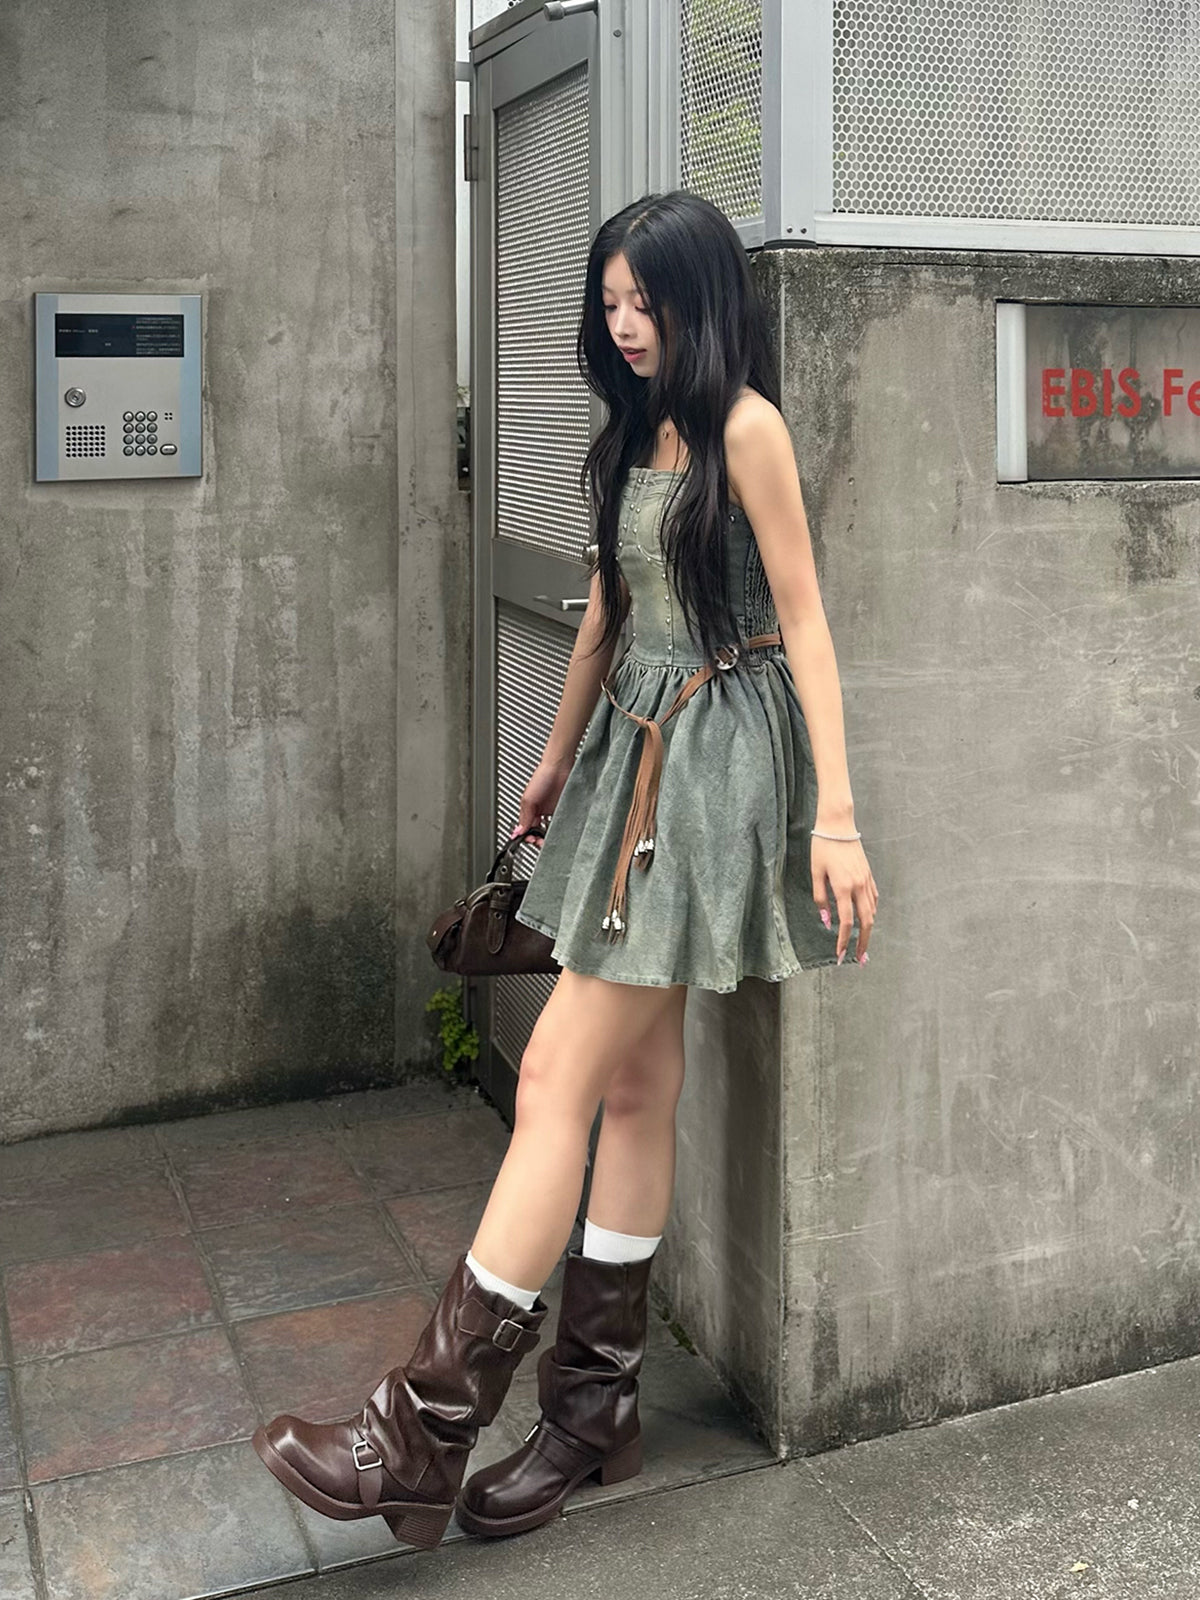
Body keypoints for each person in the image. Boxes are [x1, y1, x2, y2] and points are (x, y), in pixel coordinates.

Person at [251, 189, 878, 1550]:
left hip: (710, 770)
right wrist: (550, 761)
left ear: (703, 301)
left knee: (551, 1077)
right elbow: (607, 613)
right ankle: (597, 1416)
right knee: (636, 1089)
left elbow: (809, 623)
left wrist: (836, 816)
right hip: (628, 758)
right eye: (610, 303)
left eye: (648, 301)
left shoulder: (746, 429)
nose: (628, 324)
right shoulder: (634, 431)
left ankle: (418, 1435)